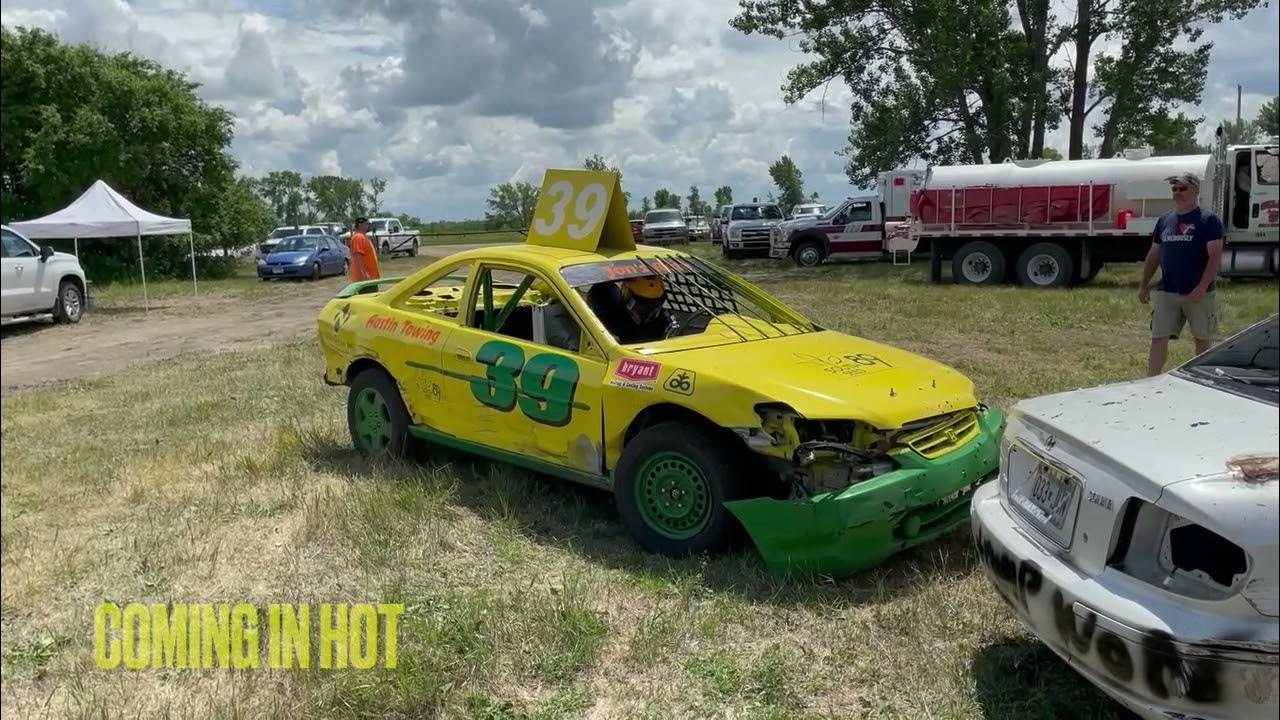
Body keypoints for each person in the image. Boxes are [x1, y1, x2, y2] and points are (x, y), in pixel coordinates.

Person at [1138, 172, 1223, 376]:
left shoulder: (1208, 220)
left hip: (1197, 293)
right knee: (1158, 337)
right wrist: (1144, 284)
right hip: (1167, 291)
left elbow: (1214, 257)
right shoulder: (1165, 220)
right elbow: (1154, 254)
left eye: (1182, 188)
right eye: (1174, 189)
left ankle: (1204, 378)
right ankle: (1151, 380)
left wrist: (1201, 287)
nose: (1177, 192)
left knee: (1201, 338)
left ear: (1195, 190)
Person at [587, 275, 675, 343]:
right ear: (627, 297)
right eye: (642, 306)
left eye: (654, 306)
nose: (648, 311)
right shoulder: (610, 319)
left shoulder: (664, 320)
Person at [348, 216, 380, 282]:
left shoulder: (363, 237)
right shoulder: (359, 237)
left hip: (370, 277)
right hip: (365, 279)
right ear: (360, 225)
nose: (368, 226)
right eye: (366, 224)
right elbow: (358, 256)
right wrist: (364, 274)